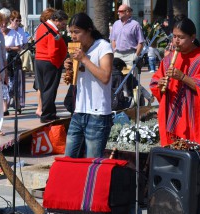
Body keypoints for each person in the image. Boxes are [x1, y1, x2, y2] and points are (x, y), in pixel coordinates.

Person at [149, 15, 200, 188]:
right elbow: (155, 82)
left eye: (181, 37)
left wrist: (183, 77)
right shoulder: (169, 59)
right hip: (173, 119)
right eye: (174, 36)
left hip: (196, 121)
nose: (176, 41)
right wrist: (160, 84)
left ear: (193, 37)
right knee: (173, 165)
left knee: (197, 163)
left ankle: (199, 199)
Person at [64, 12, 113, 158]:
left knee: (92, 161)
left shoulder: (103, 47)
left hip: (98, 114)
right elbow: (76, 79)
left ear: (89, 30)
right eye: (71, 32)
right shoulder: (77, 49)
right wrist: (69, 67)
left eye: (77, 32)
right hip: (79, 111)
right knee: (68, 158)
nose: (73, 36)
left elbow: (105, 77)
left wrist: (84, 59)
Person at [35, 10, 68, 123]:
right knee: (50, 89)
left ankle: (50, 112)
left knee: (45, 88)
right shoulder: (52, 30)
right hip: (49, 62)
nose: (64, 26)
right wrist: (58, 63)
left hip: (40, 60)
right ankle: (47, 115)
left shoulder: (42, 26)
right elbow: (53, 52)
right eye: (63, 23)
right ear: (57, 20)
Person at [109, 4, 145, 104]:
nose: (118, 13)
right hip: (118, 55)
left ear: (128, 12)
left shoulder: (135, 25)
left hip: (130, 55)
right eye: (118, 11)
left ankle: (134, 100)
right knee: (117, 76)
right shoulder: (116, 24)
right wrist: (114, 51)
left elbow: (141, 42)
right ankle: (124, 99)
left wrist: (135, 56)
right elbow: (113, 39)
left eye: (120, 11)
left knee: (129, 78)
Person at [33, 7, 56, 117]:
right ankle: (46, 111)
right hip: (47, 60)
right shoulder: (49, 28)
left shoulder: (39, 27)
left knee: (41, 86)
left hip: (38, 59)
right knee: (48, 88)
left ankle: (40, 108)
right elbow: (52, 47)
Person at [0, 8, 21, 116]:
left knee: (11, 85)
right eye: (1, 22)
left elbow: (19, 47)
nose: (3, 24)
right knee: (3, 84)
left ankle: (10, 104)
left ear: (8, 22)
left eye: (5, 22)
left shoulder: (13, 33)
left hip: (11, 62)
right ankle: (4, 108)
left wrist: (9, 48)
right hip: (0, 62)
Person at [8, 10, 28, 114]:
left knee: (19, 81)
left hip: (18, 57)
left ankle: (18, 103)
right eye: (16, 20)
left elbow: (24, 44)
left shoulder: (21, 30)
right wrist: (12, 48)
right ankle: (6, 103)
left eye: (19, 20)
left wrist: (21, 48)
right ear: (11, 20)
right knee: (9, 81)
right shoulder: (7, 30)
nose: (18, 22)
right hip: (8, 58)